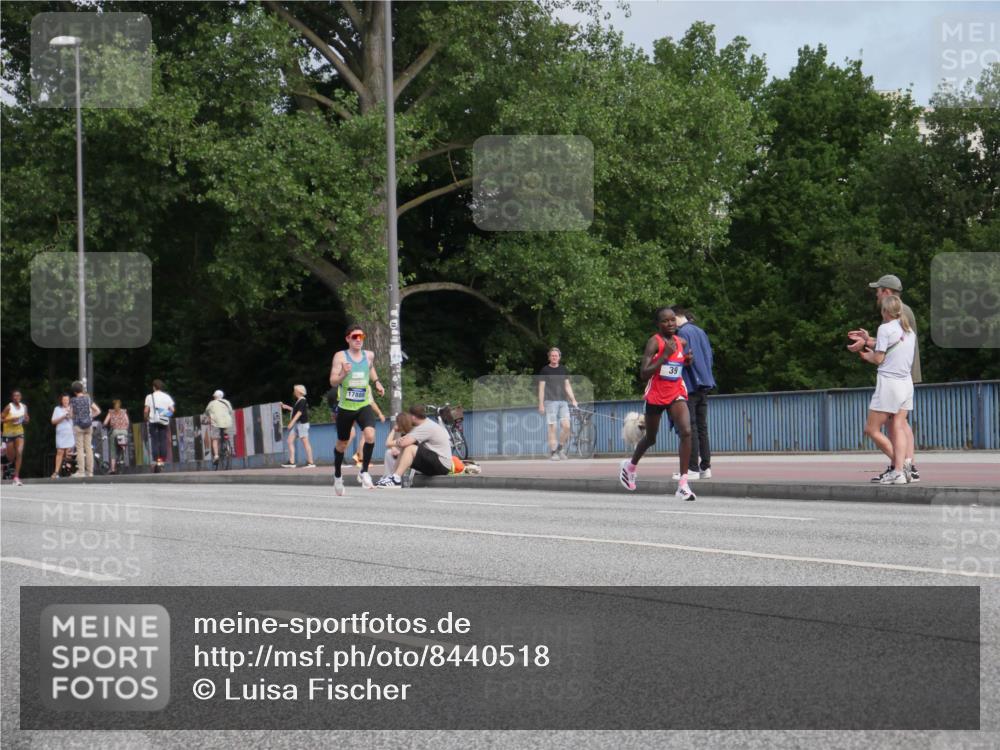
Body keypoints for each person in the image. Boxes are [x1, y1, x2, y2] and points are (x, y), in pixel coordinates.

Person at [849, 273, 921, 482]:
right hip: (905, 377)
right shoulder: (903, 317)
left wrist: (865, 351)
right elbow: (893, 341)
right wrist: (868, 340)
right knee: (898, 423)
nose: (876, 296)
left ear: (887, 293)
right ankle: (903, 467)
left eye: (878, 291)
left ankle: (903, 467)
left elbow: (881, 354)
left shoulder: (893, 317)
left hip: (893, 377)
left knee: (880, 427)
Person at [619, 307, 697, 501]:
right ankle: (630, 466)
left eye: (673, 320)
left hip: (676, 392)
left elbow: (675, 365)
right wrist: (663, 357)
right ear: (659, 324)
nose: (670, 324)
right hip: (656, 395)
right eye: (665, 321)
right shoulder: (655, 342)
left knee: (686, 431)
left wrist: (685, 362)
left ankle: (683, 484)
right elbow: (644, 373)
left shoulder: (682, 342)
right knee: (651, 438)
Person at [329, 324, 385, 495]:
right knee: (342, 444)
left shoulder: (369, 355)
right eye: (355, 337)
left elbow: (371, 368)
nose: (358, 340)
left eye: (361, 336)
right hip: (346, 407)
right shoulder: (340, 356)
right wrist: (343, 374)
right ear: (348, 339)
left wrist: (376, 382)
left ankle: (364, 472)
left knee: (370, 435)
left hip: (363, 405)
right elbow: (332, 382)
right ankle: (338, 476)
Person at [673, 307, 716, 480]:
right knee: (702, 427)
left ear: (676, 317)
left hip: (689, 384)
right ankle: (705, 466)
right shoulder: (700, 331)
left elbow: (680, 359)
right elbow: (709, 357)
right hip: (705, 383)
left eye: (670, 319)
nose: (669, 324)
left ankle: (691, 468)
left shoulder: (682, 333)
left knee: (689, 428)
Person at [376, 405, 453, 488]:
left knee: (409, 448)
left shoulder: (425, 427)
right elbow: (398, 444)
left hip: (442, 465)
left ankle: (396, 479)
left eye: (409, 415)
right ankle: (392, 477)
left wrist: (398, 438)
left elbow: (403, 443)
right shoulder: (423, 425)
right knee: (405, 447)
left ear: (413, 417)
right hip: (438, 463)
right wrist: (400, 440)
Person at [536, 347, 578, 460]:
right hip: (550, 402)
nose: (554, 357)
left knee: (566, 426)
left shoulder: (563, 369)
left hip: (563, 401)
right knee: (552, 427)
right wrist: (541, 404)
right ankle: (553, 452)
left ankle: (560, 448)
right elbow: (541, 388)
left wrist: (573, 399)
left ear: (559, 357)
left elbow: (567, 386)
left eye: (556, 356)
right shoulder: (545, 370)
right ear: (549, 357)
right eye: (552, 356)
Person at [69, 381, 101, 478]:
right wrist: (90, 417)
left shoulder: (73, 400)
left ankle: (81, 472)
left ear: (74, 391)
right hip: (88, 425)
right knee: (88, 448)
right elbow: (98, 411)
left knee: (79, 449)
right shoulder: (88, 399)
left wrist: (72, 416)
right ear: (82, 389)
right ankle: (90, 472)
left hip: (78, 426)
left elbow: (71, 414)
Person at [143, 379, 175, 472]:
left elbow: (146, 411)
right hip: (163, 422)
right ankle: (161, 463)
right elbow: (172, 410)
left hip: (153, 421)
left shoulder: (150, 396)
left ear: (154, 387)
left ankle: (157, 462)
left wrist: (146, 418)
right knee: (163, 441)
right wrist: (165, 415)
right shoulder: (166, 397)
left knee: (155, 442)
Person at [281, 385, 316, 468]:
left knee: (305, 442)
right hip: (297, 425)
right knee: (289, 441)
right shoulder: (299, 401)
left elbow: (299, 413)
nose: (294, 392)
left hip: (302, 424)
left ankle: (311, 462)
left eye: (295, 390)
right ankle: (292, 462)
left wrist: (291, 423)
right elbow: (295, 410)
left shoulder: (302, 400)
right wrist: (286, 407)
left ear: (299, 392)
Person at [2, 389, 29, 485]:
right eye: (15, 396)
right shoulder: (9, 407)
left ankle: (16, 477)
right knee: (11, 457)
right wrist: (10, 419)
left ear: (21, 397)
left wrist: (25, 419)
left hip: (19, 432)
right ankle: (8, 465)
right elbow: (1, 419)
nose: (17, 397)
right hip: (8, 433)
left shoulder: (24, 407)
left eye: (18, 396)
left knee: (19, 452)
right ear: (12, 398)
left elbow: (26, 418)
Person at [353, 391, 385, 467]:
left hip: (351, 409)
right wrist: (380, 413)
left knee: (363, 435)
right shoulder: (365, 385)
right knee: (366, 435)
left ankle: (358, 456)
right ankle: (361, 460)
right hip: (362, 410)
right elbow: (371, 402)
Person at [204, 390, 234, 466]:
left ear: (215, 396)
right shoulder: (227, 402)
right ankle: (228, 448)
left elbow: (207, 412)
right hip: (227, 422)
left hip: (216, 423)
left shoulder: (211, 403)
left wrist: (207, 417)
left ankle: (216, 456)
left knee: (215, 439)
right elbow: (230, 411)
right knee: (226, 434)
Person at [50, 393, 75, 478]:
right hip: (60, 433)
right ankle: (56, 472)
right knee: (60, 452)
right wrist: (63, 416)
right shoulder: (57, 409)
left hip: (70, 433)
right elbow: (53, 421)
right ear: (61, 400)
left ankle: (69, 472)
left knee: (69, 453)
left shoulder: (72, 408)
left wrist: (70, 415)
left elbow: (74, 418)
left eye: (67, 400)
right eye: (64, 400)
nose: (65, 402)